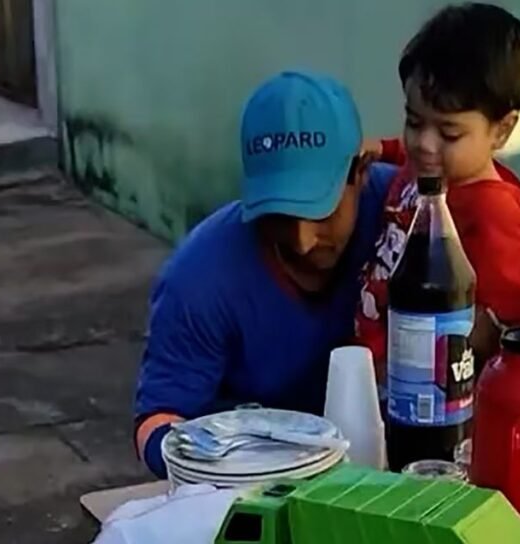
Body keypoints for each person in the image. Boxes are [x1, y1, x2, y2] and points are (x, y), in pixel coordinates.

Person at [134, 71, 396, 478]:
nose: (302, 241)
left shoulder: (406, 217)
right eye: (279, 215)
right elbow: (158, 421)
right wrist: (228, 469)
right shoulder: (200, 279)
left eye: (320, 210)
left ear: (360, 171)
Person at [356, 2, 520, 384]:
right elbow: (409, 152)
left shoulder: (492, 213)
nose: (424, 144)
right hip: (378, 376)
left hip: (429, 398)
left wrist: (491, 335)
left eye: (449, 133)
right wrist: (382, 148)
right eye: (414, 122)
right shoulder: (430, 167)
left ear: (502, 130)